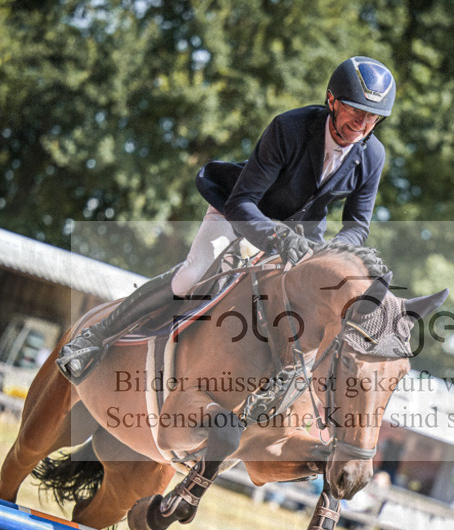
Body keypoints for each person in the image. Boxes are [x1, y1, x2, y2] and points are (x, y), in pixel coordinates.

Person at [57, 56, 396, 384]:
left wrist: (331, 254)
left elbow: (357, 226)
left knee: (317, 305)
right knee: (195, 274)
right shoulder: (289, 128)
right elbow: (242, 202)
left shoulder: (373, 155)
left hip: (303, 239)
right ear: (332, 100)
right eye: (355, 110)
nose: (362, 124)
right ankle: (94, 338)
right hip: (241, 213)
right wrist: (279, 238)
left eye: (372, 118)